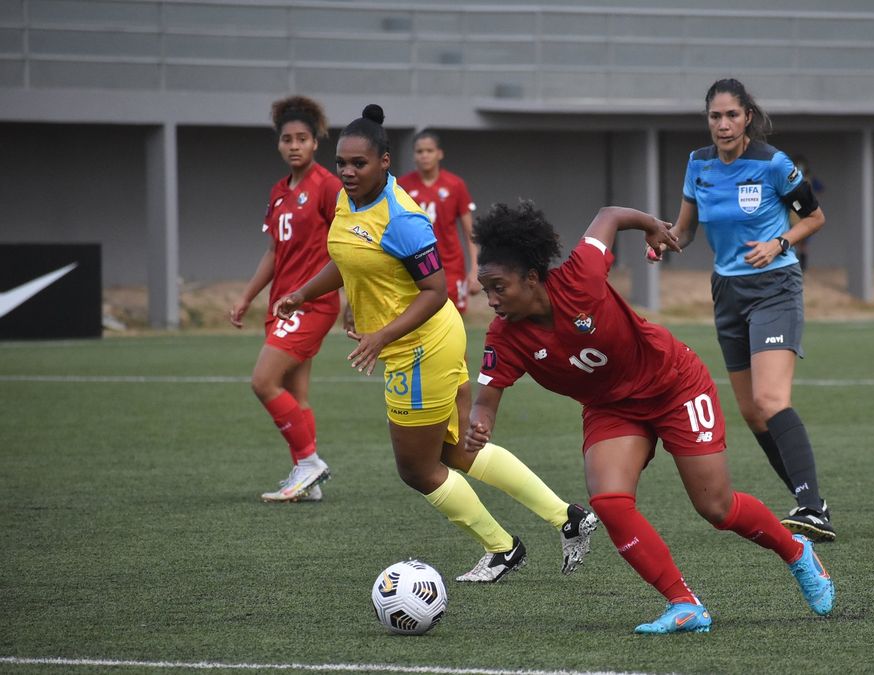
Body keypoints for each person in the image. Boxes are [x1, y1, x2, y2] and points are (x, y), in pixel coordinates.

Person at [466, 202, 835, 634]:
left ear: (531, 277)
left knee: (716, 507)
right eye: (485, 289)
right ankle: (684, 604)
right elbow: (486, 397)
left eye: (498, 287)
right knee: (609, 500)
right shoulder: (504, 335)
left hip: (674, 384)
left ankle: (797, 551)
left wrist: (654, 228)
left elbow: (606, 215)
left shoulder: (580, 275)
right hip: (612, 408)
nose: (490, 300)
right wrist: (480, 422)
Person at [274, 105, 597, 581]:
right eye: (341, 162)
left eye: (358, 163)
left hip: (421, 346)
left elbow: (435, 290)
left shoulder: (403, 218)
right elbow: (348, 260)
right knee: (456, 450)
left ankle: (503, 548)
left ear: (385, 162)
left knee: (417, 469)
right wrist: (304, 292)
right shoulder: (349, 199)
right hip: (418, 343)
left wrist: (380, 333)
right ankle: (567, 518)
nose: (346, 171)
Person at [651, 78, 835, 541]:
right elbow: (686, 231)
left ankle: (812, 508)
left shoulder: (774, 164)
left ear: (747, 116)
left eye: (732, 115)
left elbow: (814, 217)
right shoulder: (698, 163)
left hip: (775, 286)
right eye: (715, 116)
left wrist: (779, 243)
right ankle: (808, 497)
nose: (723, 124)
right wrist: (664, 242)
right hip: (727, 293)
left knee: (772, 400)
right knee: (753, 412)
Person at [228, 95, 341, 503]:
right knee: (298, 395)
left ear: (316, 143)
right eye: (287, 139)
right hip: (283, 305)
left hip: (312, 304)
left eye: (302, 139)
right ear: (279, 144)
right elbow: (275, 252)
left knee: (263, 381)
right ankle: (305, 479)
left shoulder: (328, 186)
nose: (294, 145)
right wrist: (246, 297)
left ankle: (309, 462)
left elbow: (346, 245)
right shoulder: (278, 192)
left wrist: (352, 302)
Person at [397, 131, 480, 314]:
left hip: (450, 267)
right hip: (415, 266)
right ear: (414, 155)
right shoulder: (402, 186)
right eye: (420, 151)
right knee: (418, 321)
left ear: (439, 153)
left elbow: (470, 232)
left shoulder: (455, 185)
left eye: (429, 150)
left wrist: (475, 269)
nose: (424, 155)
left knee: (453, 319)